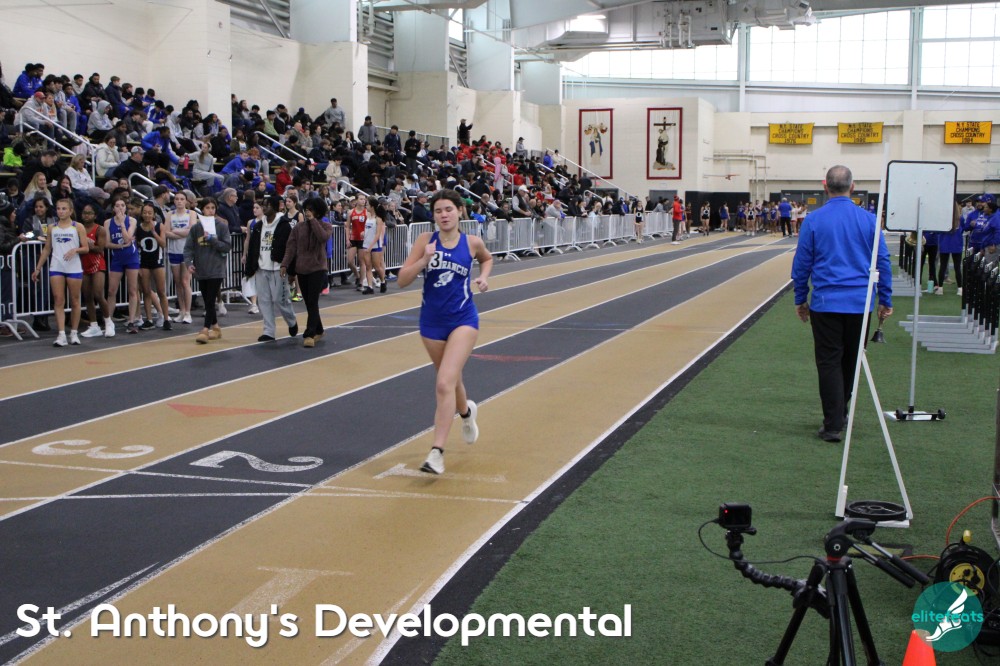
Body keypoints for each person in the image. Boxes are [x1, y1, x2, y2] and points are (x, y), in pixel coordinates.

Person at [791, 165, 892, 443]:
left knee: (829, 362)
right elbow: (882, 261)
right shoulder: (869, 220)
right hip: (860, 303)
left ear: (825, 187)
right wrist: (886, 298)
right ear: (853, 186)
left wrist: (800, 298)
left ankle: (833, 422)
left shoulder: (814, 220)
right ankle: (841, 412)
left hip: (826, 303)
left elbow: (802, 263)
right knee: (851, 360)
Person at [397, 189, 492, 475]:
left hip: (463, 319)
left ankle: (436, 452)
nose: (444, 215)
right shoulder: (425, 241)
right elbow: (402, 280)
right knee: (451, 380)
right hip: (431, 323)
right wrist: (423, 260)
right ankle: (466, 412)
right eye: (438, 211)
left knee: (443, 383)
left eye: (449, 209)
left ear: (460, 211)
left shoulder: (472, 242)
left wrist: (483, 277)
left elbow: (487, 258)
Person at [31, 198, 87, 347]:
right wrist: (38, 268)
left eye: (64, 208)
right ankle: (61, 334)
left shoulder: (78, 226)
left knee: (75, 300)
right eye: (58, 208)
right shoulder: (52, 227)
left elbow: (86, 247)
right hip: (57, 265)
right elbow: (47, 249)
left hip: (73, 266)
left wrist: (75, 250)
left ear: (70, 210)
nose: (60, 211)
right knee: (58, 299)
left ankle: (74, 332)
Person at [280, 197, 332, 348]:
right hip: (302, 268)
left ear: (318, 211)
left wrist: (313, 220)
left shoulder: (326, 226)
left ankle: (309, 333)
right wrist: (285, 264)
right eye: (307, 209)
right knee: (309, 302)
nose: (308, 212)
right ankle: (319, 329)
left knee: (313, 300)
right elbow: (291, 247)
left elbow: (322, 237)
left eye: (311, 209)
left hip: (318, 268)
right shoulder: (298, 228)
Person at [244, 197, 298, 342]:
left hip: (278, 269)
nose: (264, 208)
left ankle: (291, 320)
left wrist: (291, 271)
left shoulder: (284, 225)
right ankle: (269, 331)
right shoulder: (258, 226)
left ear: (275, 207)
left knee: (280, 300)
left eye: (267, 205)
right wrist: (249, 269)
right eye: (263, 205)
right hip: (261, 268)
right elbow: (253, 248)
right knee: (264, 301)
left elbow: (291, 248)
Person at [184, 198, 231, 344]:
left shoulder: (222, 226)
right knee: (207, 299)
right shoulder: (196, 228)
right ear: (202, 210)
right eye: (207, 208)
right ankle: (215, 327)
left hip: (216, 268)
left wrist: (212, 239)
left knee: (210, 300)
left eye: (213, 208)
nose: (210, 211)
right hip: (201, 269)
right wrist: (188, 263)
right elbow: (188, 248)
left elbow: (226, 246)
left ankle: (205, 329)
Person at [77, 203, 113, 338]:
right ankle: (94, 325)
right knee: (88, 296)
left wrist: (87, 245)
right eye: (84, 213)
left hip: (97, 263)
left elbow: (100, 248)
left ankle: (108, 322)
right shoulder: (79, 229)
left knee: (98, 294)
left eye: (89, 213)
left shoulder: (100, 229)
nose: (86, 215)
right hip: (83, 263)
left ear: (95, 215)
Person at [136, 201, 170, 330]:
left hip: (157, 262)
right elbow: (137, 246)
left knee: (161, 291)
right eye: (144, 212)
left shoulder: (159, 226)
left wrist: (153, 232)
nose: (147, 215)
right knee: (146, 291)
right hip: (144, 262)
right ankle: (149, 319)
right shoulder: (138, 228)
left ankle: (166, 319)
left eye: (149, 213)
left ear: (154, 214)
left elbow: (163, 244)